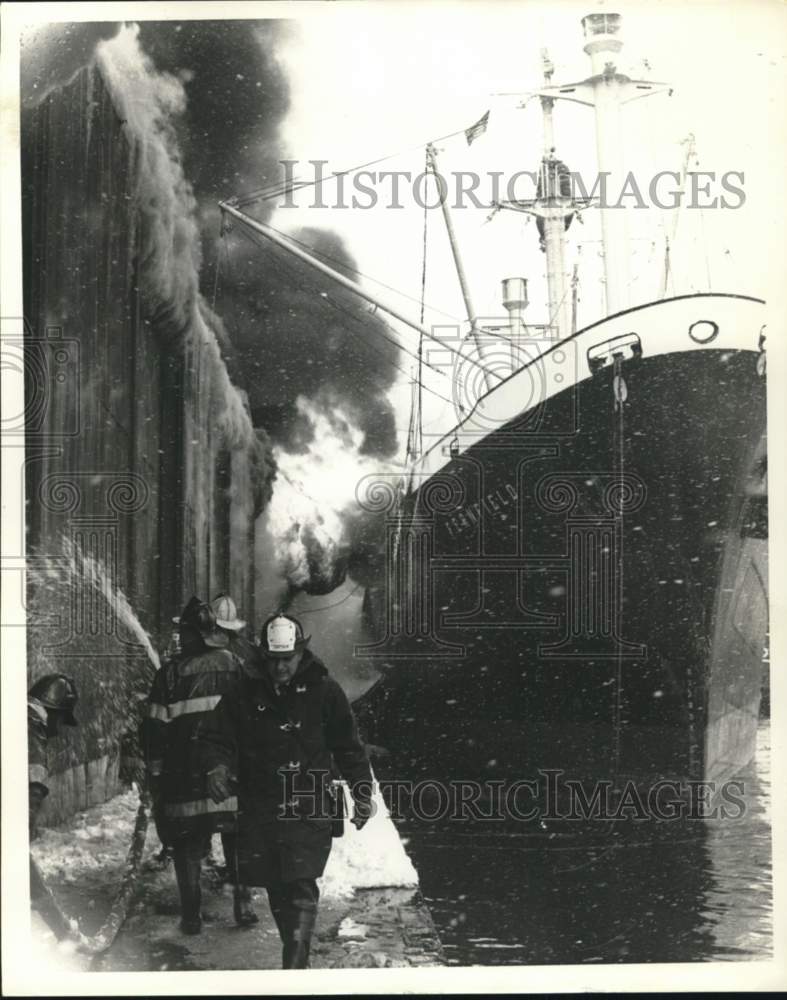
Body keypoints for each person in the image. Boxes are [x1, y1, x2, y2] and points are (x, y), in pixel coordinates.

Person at [200, 612, 374, 969]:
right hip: (261, 807)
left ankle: (294, 966)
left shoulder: (325, 691)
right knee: (278, 886)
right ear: (264, 655)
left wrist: (361, 791)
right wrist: (217, 767)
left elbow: (348, 746)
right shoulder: (244, 692)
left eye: (288, 659)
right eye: (274, 660)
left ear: (301, 653)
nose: (280, 668)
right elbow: (216, 735)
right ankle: (295, 955)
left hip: (308, 805)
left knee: (301, 883)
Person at [142, 596, 253, 934]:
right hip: (229, 772)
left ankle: (191, 915)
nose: (180, 638)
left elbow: (155, 729)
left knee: (187, 844)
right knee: (237, 838)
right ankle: (243, 904)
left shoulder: (170, 674)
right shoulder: (237, 666)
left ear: (195, 634)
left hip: (184, 776)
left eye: (184, 632)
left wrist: (155, 773)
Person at [28, 674, 79, 839]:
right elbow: (32, 796)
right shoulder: (34, 734)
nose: (58, 730)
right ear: (54, 712)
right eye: (61, 720)